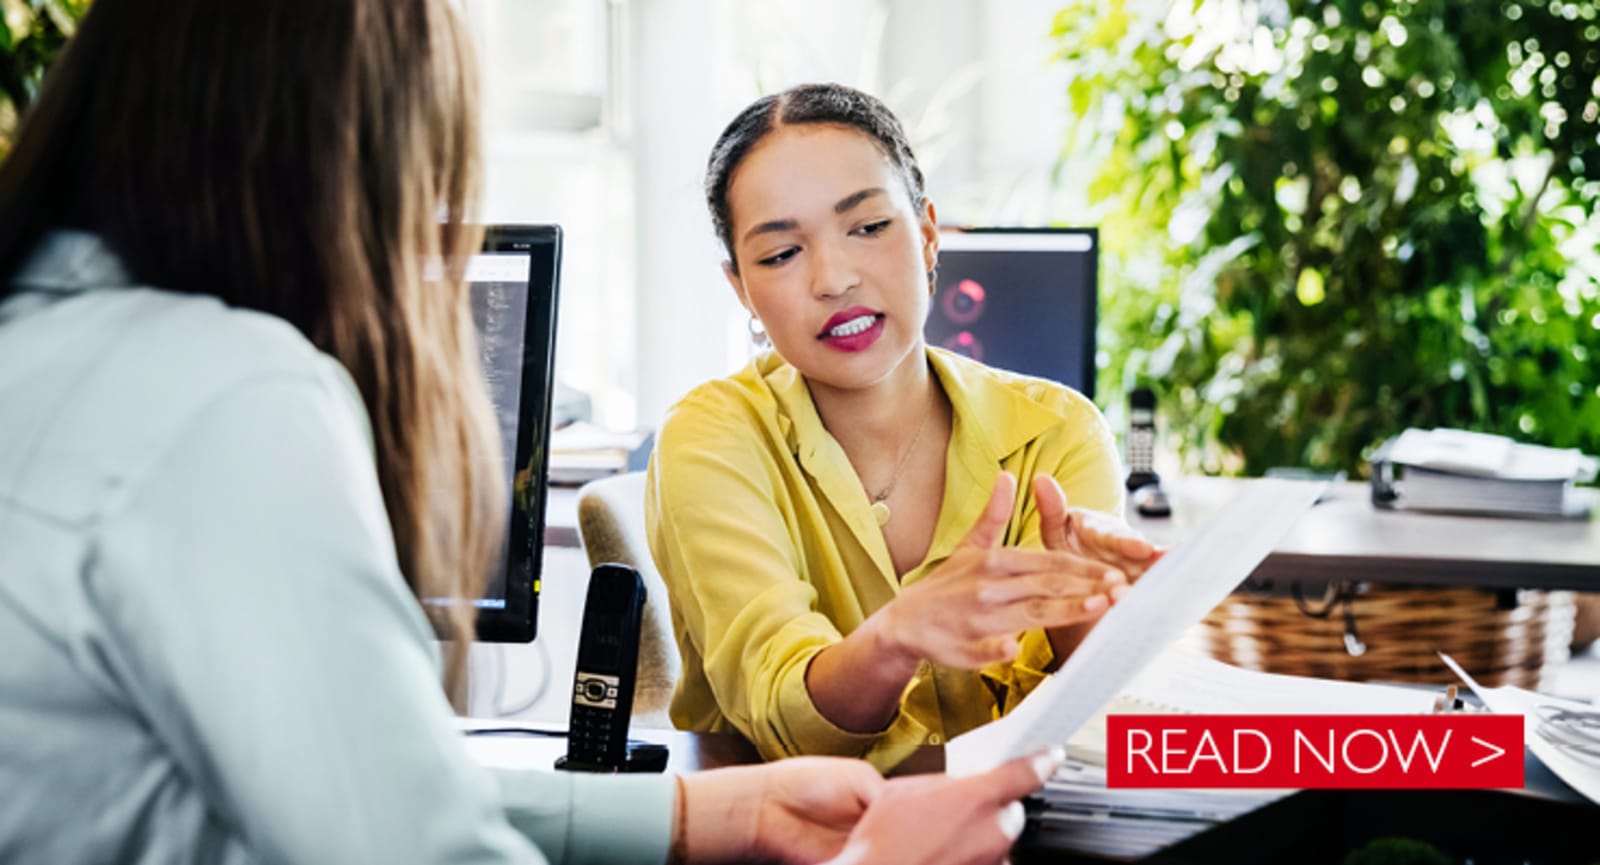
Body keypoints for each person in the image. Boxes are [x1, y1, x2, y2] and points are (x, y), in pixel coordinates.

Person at [0, 4, 1055, 864]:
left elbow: (381, 794)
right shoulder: (225, 393)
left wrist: (708, 817)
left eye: (865, 224)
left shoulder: (50, 345)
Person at [646, 83, 1164, 769]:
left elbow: (1099, 735)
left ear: (925, 235)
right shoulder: (711, 438)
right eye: (779, 255)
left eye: (867, 227)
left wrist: (1092, 618)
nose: (833, 279)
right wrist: (897, 636)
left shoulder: (1058, 432)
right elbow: (783, 724)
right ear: (741, 286)